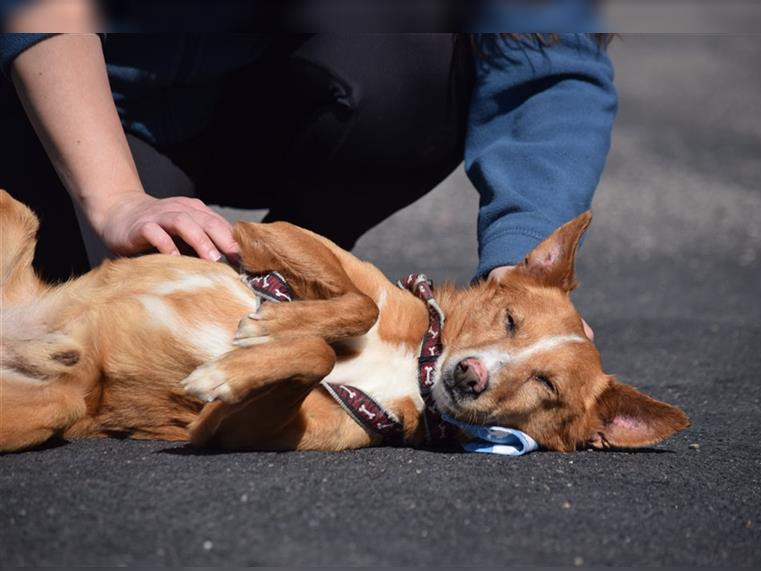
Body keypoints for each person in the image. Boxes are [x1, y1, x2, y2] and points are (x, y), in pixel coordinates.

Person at [1, 10, 616, 342]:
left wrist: (519, 268)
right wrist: (115, 199)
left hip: (261, 88)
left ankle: (283, 285)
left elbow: (548, 55)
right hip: (69, 91)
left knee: (423, 54)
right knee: (101, 329)